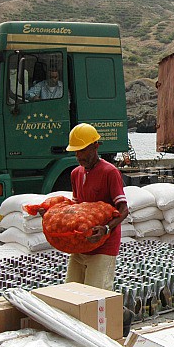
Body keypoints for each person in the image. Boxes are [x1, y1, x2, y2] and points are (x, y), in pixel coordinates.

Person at [62, 123, 128, 290]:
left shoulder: (109, 172)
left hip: (104, 245)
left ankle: (111, 315)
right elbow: (77, 207)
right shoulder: (75, 173)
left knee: (96, 294)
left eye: (83, 150)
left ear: (95, 146)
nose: (79, 155)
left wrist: (105, 229)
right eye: (76, 151)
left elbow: (123, 209)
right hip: (82, 244)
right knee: (71, 291)